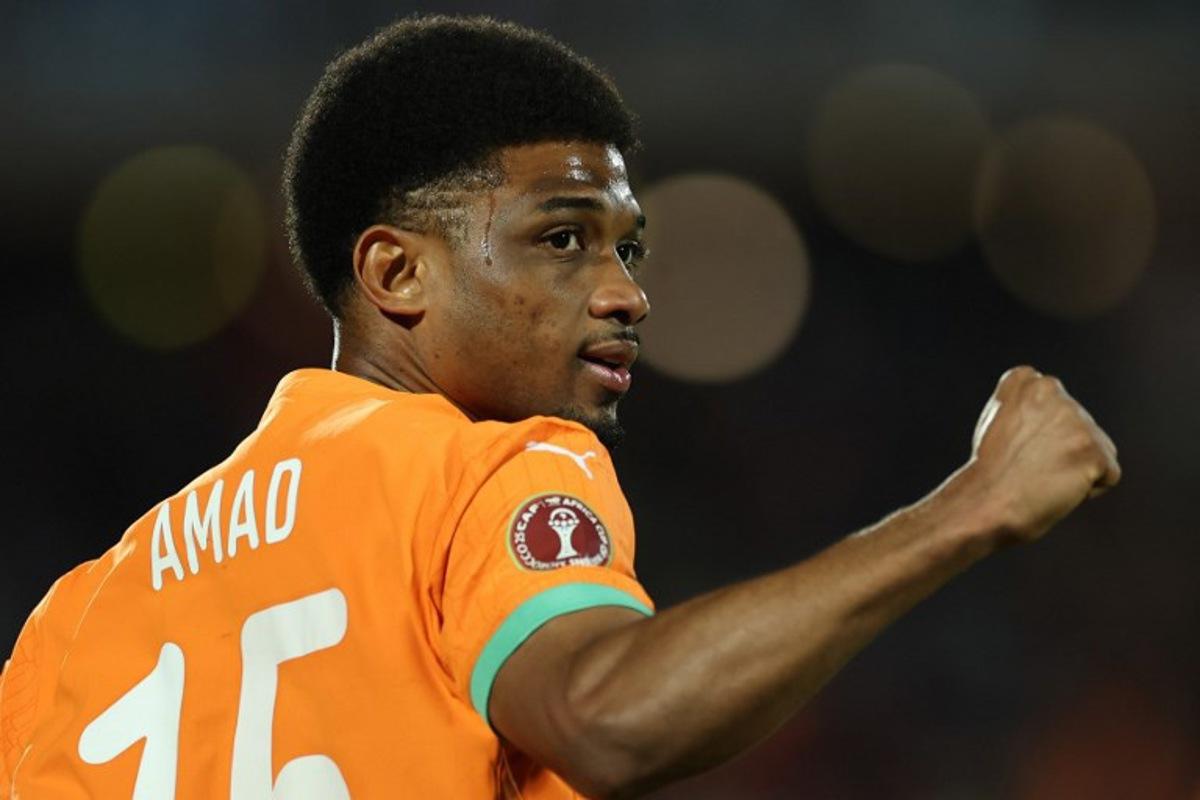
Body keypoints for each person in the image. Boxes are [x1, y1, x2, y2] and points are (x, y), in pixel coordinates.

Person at [0, 14, 1121, 800]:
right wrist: (969, 507)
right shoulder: (484, 467)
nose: (626, 289)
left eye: (626, 245)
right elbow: (607, 716)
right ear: (397, 274)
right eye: (562, 238)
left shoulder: (77, 618)